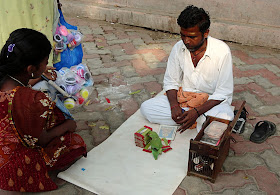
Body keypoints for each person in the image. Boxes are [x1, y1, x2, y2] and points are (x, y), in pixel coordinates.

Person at [0, 28, 87, 192]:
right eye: (45, 62)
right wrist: (68, 125)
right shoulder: (33, 100)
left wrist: (37, 76)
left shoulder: (6, 77)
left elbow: (17, 87)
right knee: (73, 142)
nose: (47, 65)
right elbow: (42, 139)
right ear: (30, 68)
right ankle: (34, 174)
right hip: (11, 164)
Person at [140, 5, 234, 133]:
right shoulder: (178, 48)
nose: (186, 41)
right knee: (147, 108)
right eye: (183, 35)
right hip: (185, 100)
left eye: (192, 37)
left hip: (210, 103)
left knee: (224, 116)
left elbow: (223, 92)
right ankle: (196, 122)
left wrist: (196, 112)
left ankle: (193, 119)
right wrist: (174, 107)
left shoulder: (222, 51)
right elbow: (170, 82)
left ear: (206, 33)